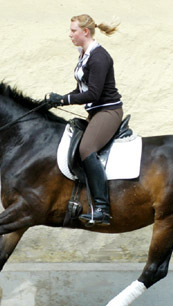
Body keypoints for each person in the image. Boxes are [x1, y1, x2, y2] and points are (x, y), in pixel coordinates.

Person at [47, 14, 123, 227]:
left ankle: (101, 208)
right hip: (96, 112)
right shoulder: (85, 54)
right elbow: (82, 90)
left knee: (86, 148)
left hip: (108, 112)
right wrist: (58, 101)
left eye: (73, 31)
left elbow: (94, 94)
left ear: (85, 32)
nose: (70, 34)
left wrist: (64, 99)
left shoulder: (99, 57)